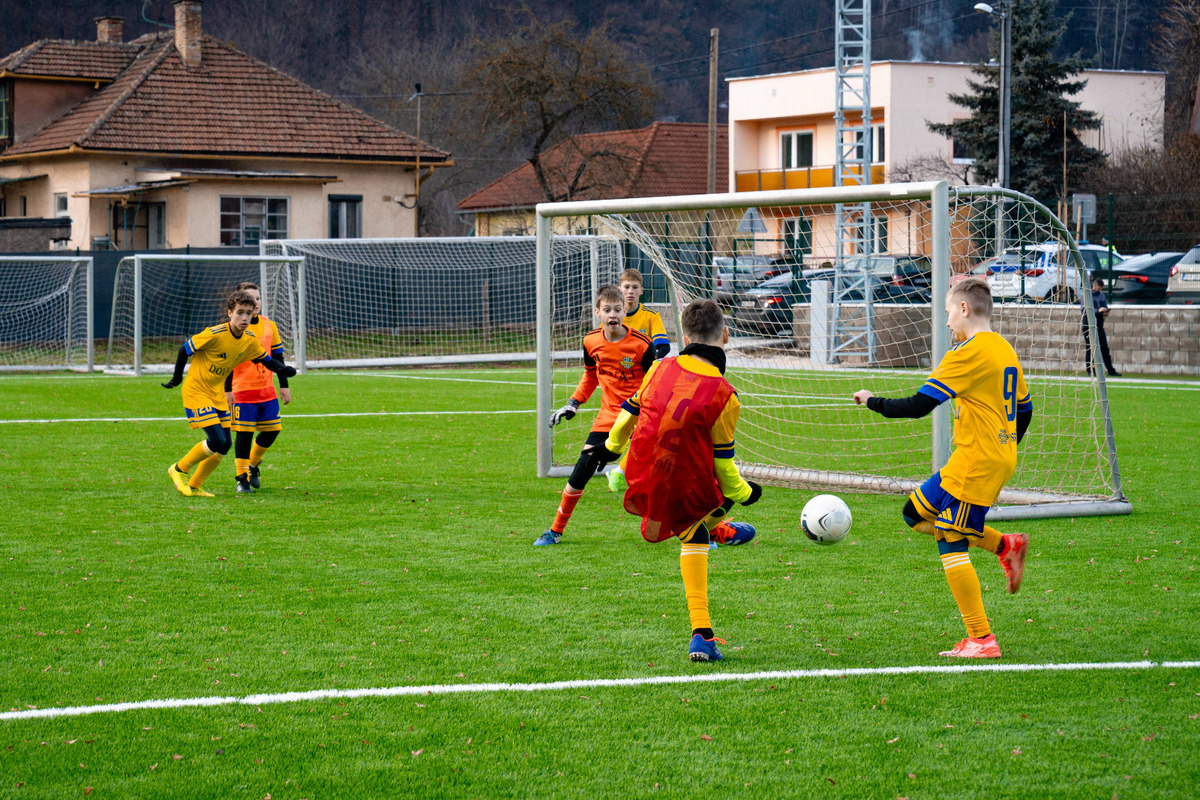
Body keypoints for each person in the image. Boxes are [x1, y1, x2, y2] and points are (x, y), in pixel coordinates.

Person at [852, 278, 1033, 659]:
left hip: (976, 461)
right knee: (915, 514)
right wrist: (1006, 444)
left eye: (949, 311)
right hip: (985, 456)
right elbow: (1025, 408)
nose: (948, 321)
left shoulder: (967, 353)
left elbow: (919, 405)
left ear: (965, 309)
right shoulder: (1002, 347)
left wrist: (872, 401)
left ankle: (981, 639)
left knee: (949, 536)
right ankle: (1005, 544)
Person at [600, 299, 762, 662]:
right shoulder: (725, 395)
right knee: (715, 504)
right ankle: (702, 634)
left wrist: (612, 445)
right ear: (726, 336)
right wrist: (748, 492)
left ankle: (710, 526)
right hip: (683, 485)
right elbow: (725, 467)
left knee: (697, 509)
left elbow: (629, 412)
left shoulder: (658, 367)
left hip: (642, 475)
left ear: (684, 336)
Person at [536, 285, 656, 546]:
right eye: (607, 310)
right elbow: (590, 376)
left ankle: (700, 529)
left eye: (617, 309)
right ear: (597, 313)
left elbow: (654, 382)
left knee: (666, 471)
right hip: (609, 415)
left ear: (625, 311)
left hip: (642, 415)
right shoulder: (591, 341)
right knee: (583, 467)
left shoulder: (642, 344)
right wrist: (573, 403)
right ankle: (555, 530)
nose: (612, 314)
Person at [163, 290, 297, 497]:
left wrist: (283, 369)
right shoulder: (215, 334)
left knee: (225, 444)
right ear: (229, 313)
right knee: (217, 440)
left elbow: (267, 360)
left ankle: (195, 485)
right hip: (197, 390)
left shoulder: (250, 340)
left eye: (248, 313)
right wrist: (177, 377)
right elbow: (184, 349)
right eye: (240, 313)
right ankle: (179, 469)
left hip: (215, 393)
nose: (244, 318)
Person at [223, 282, 291, 494]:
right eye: (251, 299)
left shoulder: (270, 325)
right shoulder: (234, 328)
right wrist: (227, 390)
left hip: (266, 391)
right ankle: (241, 479)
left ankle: (253, 465)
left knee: (272, 430)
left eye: (258, 298)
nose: (255, 303)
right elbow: (227, 362)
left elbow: (278, 357)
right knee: (244, 434)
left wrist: (284, 385)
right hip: (242, 391)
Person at [608, 268, 671, 493]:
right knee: (616, 430)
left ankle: (622, 471)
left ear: (641, 290)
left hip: (645, 384)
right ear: (619, 290)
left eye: (635, 287)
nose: (630, 291)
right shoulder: (613, 315)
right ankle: (614, 466)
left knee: (646, 429)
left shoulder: (650, 315)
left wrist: (645, 361)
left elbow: (664, 346)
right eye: (626, 287)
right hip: (618, 383)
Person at [1083, 276, 1120, 377]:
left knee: (1104, 348)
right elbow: (1084, 310)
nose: (1100, 290)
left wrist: (1105, 312)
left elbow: (1105, 306)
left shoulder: (1102, 296)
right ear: (1094, 286)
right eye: (1099, 288)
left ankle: (1111, 370)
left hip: (1099, 324)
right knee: (1090, 348)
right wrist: (1097, 311)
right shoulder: (1087, 295)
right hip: (1088, 324)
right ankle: (1090, 370)